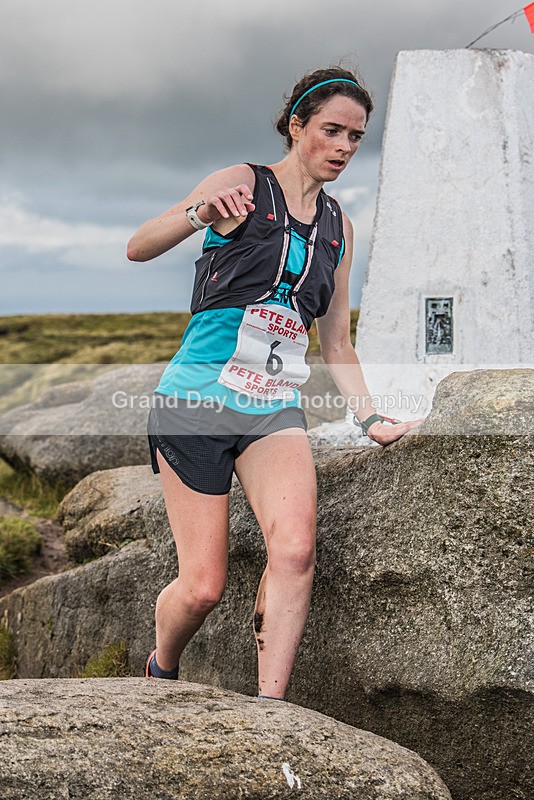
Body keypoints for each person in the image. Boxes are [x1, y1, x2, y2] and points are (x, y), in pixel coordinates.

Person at [127, 66, 421, 699]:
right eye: (332, 130)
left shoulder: (339, 229)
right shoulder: (242, 184)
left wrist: (370, 420)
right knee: (204, 586)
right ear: (298, 126)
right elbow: (139, 246)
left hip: (272, 408)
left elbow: (337, 342)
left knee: (294, 551)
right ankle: (162, 667)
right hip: (195, 401)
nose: (344, 147)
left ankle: (271, 713)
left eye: (356, 137)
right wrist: (197, 213)